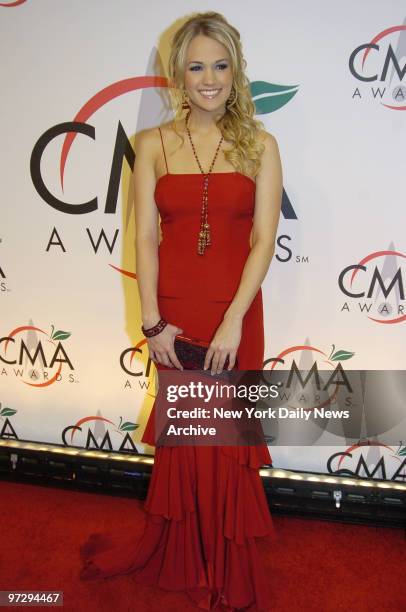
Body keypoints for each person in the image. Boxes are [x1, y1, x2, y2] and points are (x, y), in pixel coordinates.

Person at [80, 11, 282, 611]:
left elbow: (264, 239)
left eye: (220, 65)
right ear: (178, 75)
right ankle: (188, 557)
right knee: (191, 440)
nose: (209, 78)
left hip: (235, 310)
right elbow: (143, 238)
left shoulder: (261, 145)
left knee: (224, 442)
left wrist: (232, 319)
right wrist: (151, 322)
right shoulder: (150, 145)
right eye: (196, 66)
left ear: (235, 71)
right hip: (172, 312)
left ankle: (226, 565)